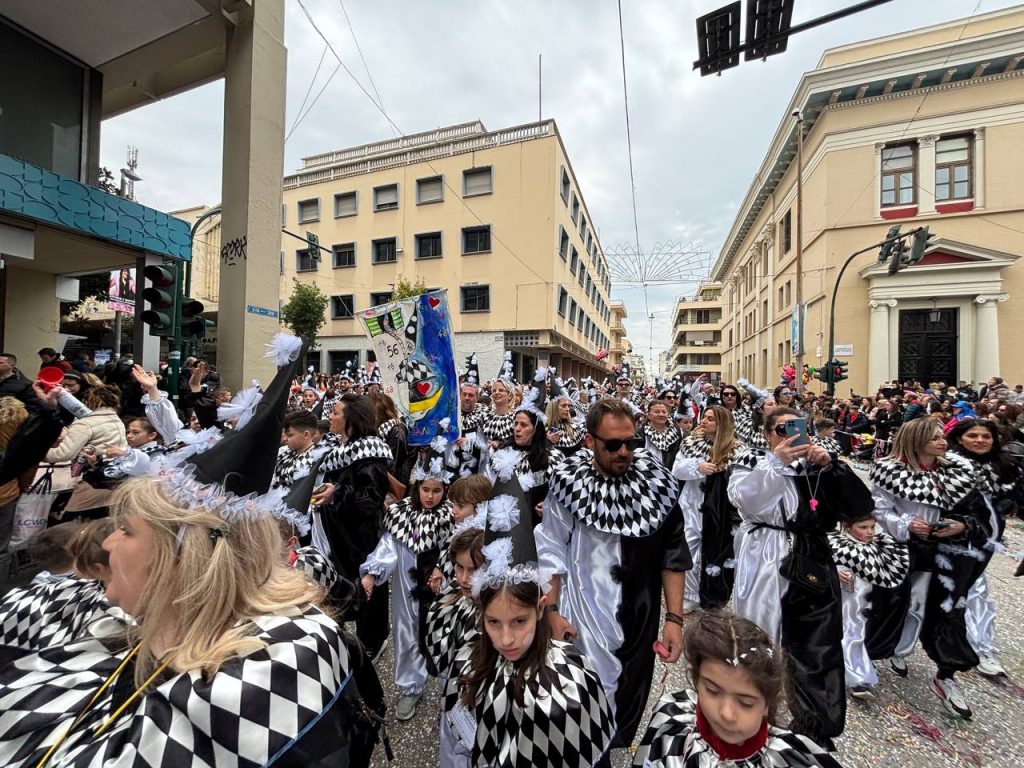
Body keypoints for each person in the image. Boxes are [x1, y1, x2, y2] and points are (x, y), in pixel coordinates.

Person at [536, 398, 689, 749]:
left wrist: (675, 620)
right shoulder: (567, 483)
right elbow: (551, 548)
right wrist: (552, 611)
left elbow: (673, 554)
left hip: (641, 611)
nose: (624, 452)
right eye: (613, 444)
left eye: (631, 442)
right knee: (582, 695)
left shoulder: (658, 485)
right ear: (590, 441)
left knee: (628, 695)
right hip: (583, 608)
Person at [728, 407, 873, 747]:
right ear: (766, 433)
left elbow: (858, 508)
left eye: (799, 428)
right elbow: (743, 499)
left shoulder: (819, 465)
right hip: (764, 556)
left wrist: (831, 467)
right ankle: (752, 712)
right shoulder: (752, 460)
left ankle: (814, 725)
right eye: (781, 429)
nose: (790, 436)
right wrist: (775, 463)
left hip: (810, 556)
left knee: (817, 642)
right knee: (759, 635)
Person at [460, 477, 614, 767]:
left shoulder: (573, 682)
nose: (506, 639)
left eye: (519, 621)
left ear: (541, 609)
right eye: (493, 622)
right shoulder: (470, 664)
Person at [867, 418, 981, 719]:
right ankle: (876, 655)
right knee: (893, 604)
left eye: (942, 437)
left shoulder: (958, 474)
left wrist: (960, 525)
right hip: (904, 551)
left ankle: (946, 675)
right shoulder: (889, 471)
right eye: (934, 438)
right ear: (916, 440)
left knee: (947, 613)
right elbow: (879, 509)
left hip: (948, 555)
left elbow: (977, 514)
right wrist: (906, 525)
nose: (943, 442)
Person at [632, 611, 843, 768]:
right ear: (697, 682)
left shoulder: (795, 760)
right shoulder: (670, 718)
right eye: (712, 691)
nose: (726, 713)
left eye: (745, 703)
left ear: (767, 704)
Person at [361, 466, 454, 721]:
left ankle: (452, 687)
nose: (430, 496)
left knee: (444, 634)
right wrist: (371, 574)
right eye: (426, 489)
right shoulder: (401, 515)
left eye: (437, 490)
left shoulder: (450, 515)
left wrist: (443, 570)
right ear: (417, 488)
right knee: (407, 632)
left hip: (440, 589)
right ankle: (411, 686)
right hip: (407, 590)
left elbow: (457, 548)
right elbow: (387, 547)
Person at [314, 394, 393, 660]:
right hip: (337, 535)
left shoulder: (371, 452)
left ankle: (372, 641)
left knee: (367, 591)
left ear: (352, 418)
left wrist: (337, 492)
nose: (331, 417)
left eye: (336, 412)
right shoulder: (337, 448)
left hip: (361, 538)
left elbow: (369, 500)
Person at [947, 418, 1021, 679]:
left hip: (983, 540)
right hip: (947, 539)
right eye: (973, 435)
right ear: (959, 438)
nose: (979, 440)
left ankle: (982, 647)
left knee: (977, 590)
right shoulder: (948, 465)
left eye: (985, 436)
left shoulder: (1006, 469)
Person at [827, 513, 909, 700]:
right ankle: (856, 678)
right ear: (847, 526)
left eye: (872, 527)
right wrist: (835, 572)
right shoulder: (836, 542)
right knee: (850, 631)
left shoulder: (880, 546)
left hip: (866, 601)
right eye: (863, 527)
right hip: (845, 598)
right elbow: (823, 562)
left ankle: (855, 673)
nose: (870, 532)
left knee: (856, 633)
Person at [426, 524, 485, 767]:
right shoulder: (454, 596)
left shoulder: (497, 620)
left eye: (473, 570)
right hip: (453, 706)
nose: (463, 578)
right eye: (459, 567)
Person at [672, 405, 741, 611]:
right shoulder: (690, 443)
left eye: (710, 419)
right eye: (704, 417)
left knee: (717, 551)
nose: (704, 421)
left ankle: (715, 595)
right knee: (689, 549)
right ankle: (691, 595)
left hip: (719, 510)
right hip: (692, 506)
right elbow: (676, 469)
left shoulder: (737, 449)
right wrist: (697, 466)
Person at [644, 398, 683, 468]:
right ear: (648, 415)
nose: (661, 414)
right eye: (656, 412)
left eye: (664, 412)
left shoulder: (676, 431)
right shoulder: (642, 433)